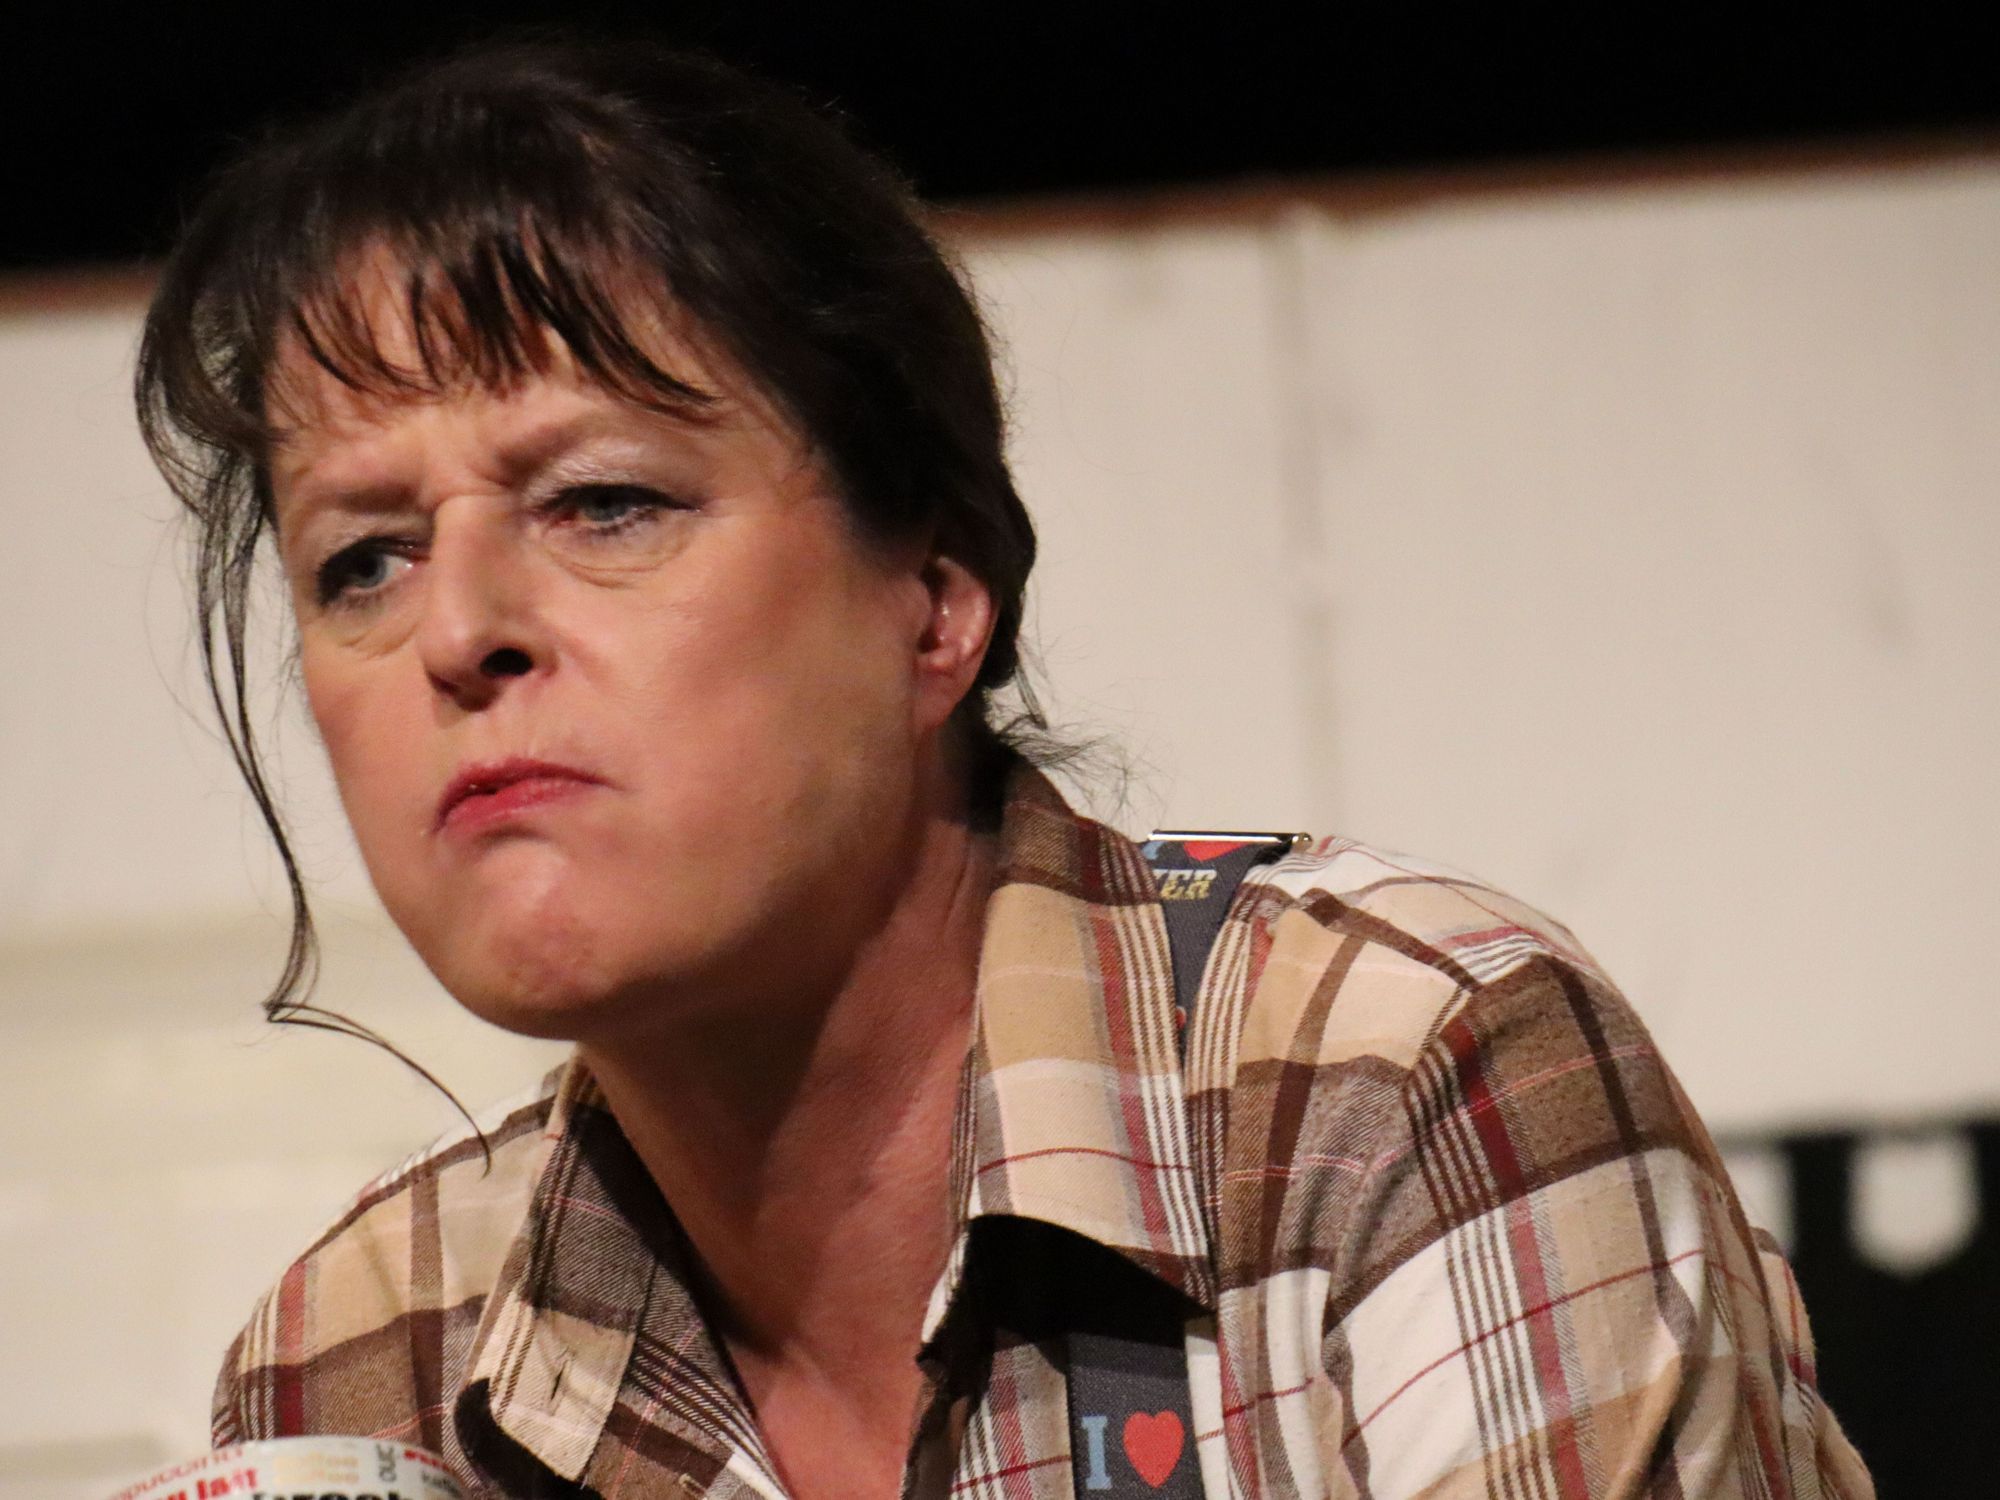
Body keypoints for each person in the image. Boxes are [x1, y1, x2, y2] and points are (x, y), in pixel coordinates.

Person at [135, 36, 1873, 1500]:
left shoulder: (1391, 1085)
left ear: (935, 603)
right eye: (361, 559)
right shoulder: (368, 1361)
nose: (458, 631)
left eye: (604, 503)